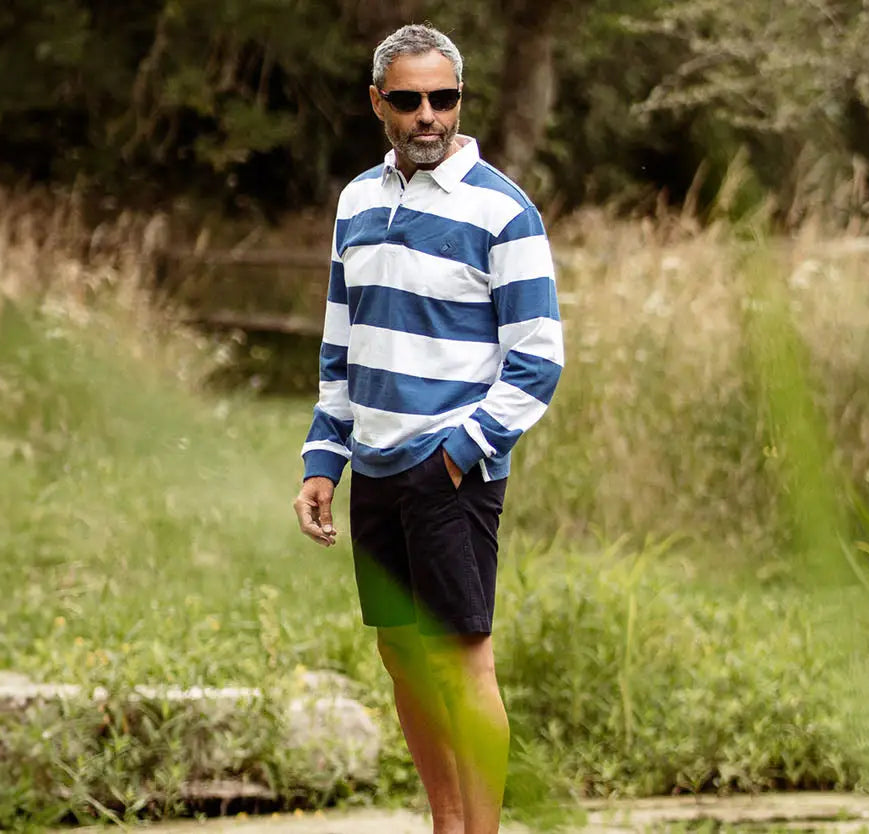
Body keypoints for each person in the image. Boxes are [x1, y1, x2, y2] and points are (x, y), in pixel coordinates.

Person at [291, 23, 564, 834]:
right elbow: (343, 345)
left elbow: (537, 359)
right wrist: (324, 457)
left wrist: (458, 455)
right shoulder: (356, 202)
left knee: (461, 660)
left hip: (452, 470)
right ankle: (447, 825)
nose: (427, 116)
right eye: (409, 100)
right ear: (378, 103)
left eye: (443, 99)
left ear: (459, 100)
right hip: (374, 466)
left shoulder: (502, 211)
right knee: (401, 654)